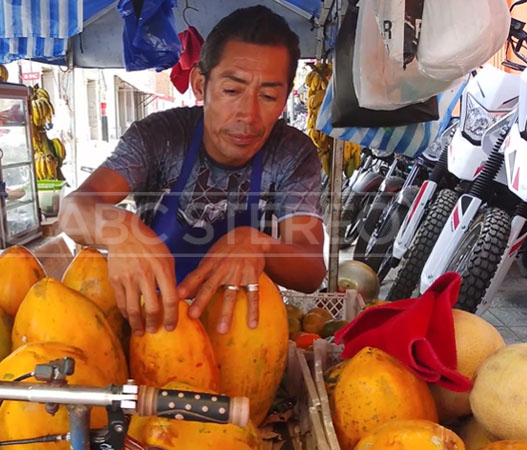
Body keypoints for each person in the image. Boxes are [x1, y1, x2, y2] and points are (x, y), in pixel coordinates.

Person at [58, 6, 326, 336]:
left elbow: (311, 270)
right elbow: (72, 209)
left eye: (269, 96)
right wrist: (118, 227)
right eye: (231, 91)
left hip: (240, 331)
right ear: (200, 84)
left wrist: (259, 245)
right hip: (151, 326)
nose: (249, 114)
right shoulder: (158, 136)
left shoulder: (291, 153)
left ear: (285, 99)